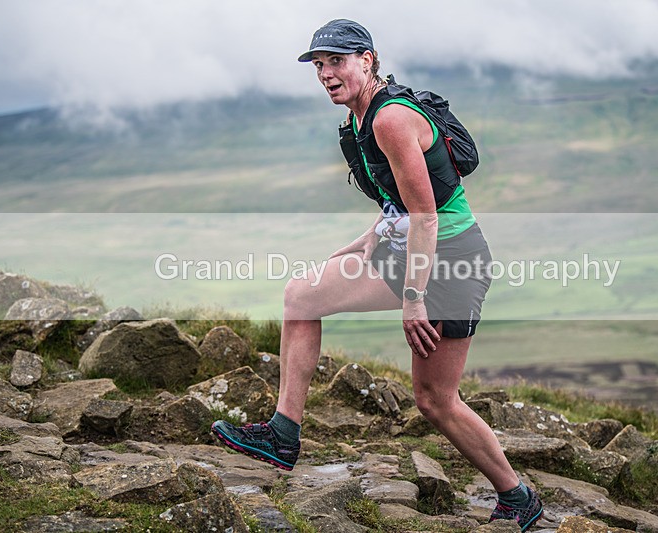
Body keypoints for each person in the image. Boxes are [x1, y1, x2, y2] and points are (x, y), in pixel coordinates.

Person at [212, 19, 544, 530]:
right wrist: (369, 238)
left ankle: (517, 495)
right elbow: (400, 201)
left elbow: (428, 214)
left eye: (336, 61)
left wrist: (414, 301)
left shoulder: (390, 119)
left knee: (435, 400)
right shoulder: (359, 121)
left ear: (367, 60)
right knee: (302, 295)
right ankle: (283, 433)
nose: (325, 73)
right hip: (410, 247)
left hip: (452, 263)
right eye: (318, 65)